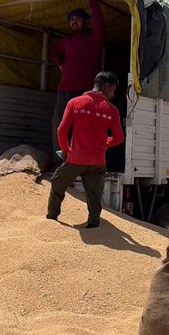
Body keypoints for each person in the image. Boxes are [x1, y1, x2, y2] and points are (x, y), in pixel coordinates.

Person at [47, 71, 124, 228]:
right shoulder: (112, 110)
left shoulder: (75, 103)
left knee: (57, 183)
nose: (113, 94)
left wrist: (66, 151)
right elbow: (119, 138)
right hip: (97, 162)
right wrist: (105, 143)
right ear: (107, 86)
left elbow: (61, 130)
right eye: (113, 90)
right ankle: (93, 226)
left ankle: (51, 219)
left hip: (75, 158)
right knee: (94, 198)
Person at [51, 0, 105, 154]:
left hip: (84, 90)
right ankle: (62, 157)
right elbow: (54, 50)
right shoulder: (67, 41)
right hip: (63, 90)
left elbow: (100, 23)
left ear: (86, 21)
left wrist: (93, 2)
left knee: (81, 124)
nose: (74, 22)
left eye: (77, 18)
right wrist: (60, 64)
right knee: (61, 124)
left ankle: (81, 156)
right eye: (71, 19)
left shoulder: (94, 39)